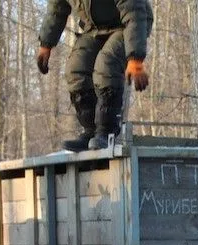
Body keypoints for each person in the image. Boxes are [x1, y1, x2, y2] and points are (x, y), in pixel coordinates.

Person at [36, 0, 153, 151]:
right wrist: (46, 43)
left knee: (107, 65)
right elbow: (57, 9)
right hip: (94, 29)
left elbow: (134, 12)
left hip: (128, 25)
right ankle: (91, 132)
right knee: (76, 69)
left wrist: (135, 59)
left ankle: (106, 132)